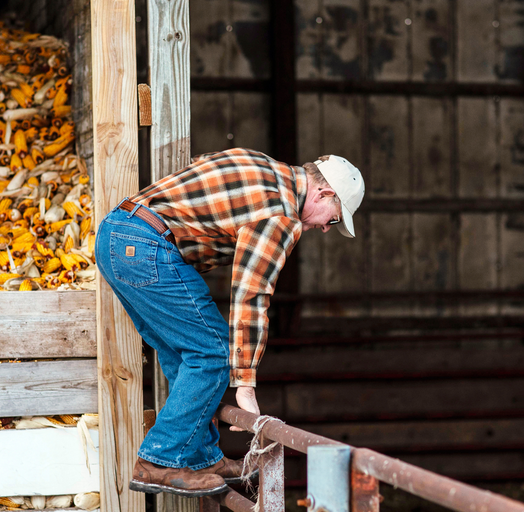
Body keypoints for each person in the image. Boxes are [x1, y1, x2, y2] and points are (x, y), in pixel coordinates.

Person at [94, 147, 364, 497]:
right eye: (333, 219)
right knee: (214, 351)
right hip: (148, 245)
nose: (326, 229)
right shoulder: (281, 215)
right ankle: (160, 461)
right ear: (325, 193)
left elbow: (202, 165)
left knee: (185, 352)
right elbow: (252, 294)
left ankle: (200, 456)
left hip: (117, 235)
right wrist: (245, 385)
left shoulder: (262, 164)